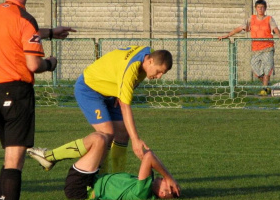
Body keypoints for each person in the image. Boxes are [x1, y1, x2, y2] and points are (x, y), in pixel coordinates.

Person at [0, 0, 75, 200]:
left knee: (9, 158)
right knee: (15, 161)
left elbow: (15, 33)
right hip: (17, 92)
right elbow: (33, 64)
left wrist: (49, 33)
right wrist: (51, 64)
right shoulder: (27, 20)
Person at [27, 46, 172, 174]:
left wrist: (120, 90)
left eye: (162, 74)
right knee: (105, 135)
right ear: (150, 61)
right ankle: (49, 157)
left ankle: (116, 178)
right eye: (159, 72)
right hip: (89, 89)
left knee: (122, 133)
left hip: (110, 92)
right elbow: (125, 106)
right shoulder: (129, 71)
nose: (159, 76)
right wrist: (136, 140)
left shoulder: (149, 53)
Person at [29, 132, 180, 200]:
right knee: (106, 136)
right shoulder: (148, 185)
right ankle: (49, 158)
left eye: (166, 186)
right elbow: (150, 159)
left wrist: (170, 177)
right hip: (90, 180)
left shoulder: (142, 192)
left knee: (98, 139)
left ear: (162, 194)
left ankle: (49, 157)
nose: (162, 179)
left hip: (81, 188)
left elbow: (149, 157)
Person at [218, 0, 280, 95]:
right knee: (255, 68)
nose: (260, 9)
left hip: (268, 48)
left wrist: (279, 35)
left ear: (265, 8)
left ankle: (264, 90)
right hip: (256, 49)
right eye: (258, 7)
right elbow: (240, 28)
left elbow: (275, 28)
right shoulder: (251, 19)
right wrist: (228, 35)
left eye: (262, 7)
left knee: (267, 70)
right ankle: (268, 86)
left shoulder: (269, 18)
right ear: (255, 8)